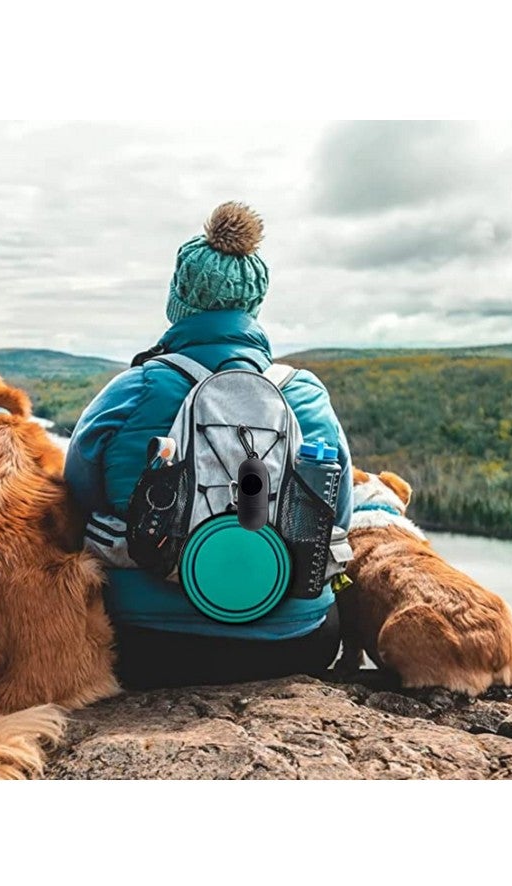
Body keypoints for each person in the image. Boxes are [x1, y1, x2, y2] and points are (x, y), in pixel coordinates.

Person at [64, 202, 353, 689]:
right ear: (254, 304)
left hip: (147, 645)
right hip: (295, 643)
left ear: (179, 297)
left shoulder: (132, 391)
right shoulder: (305, 394)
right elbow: (339, 517)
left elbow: (74, 498)